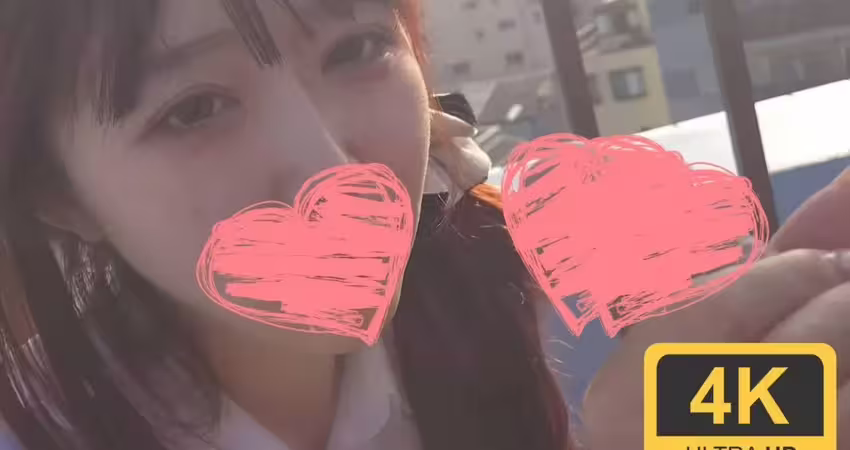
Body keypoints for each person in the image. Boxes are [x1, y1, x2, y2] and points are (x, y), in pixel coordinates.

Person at [0, 0, 571, 449]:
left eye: (355, 48)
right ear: (61, 197)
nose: (331, 171)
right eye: (194, 109)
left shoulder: (534, 286)